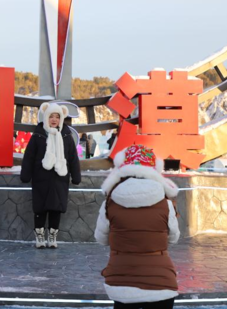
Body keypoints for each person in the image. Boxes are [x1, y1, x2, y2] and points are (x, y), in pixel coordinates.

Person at [95, 144, 180, 309]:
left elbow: (101, 239)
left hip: (121, 283)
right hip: (160, 283)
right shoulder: (166, 204)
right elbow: (174, 237)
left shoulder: (109, 203)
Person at [20, 102, 81, 249]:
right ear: (46, 117)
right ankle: (40, 237)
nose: (54, 119)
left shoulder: (66, 135)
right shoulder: (38, 135)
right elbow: (29, 156)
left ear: (61, 118)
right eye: (51, 116)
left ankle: (53, 237)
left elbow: (72, 157)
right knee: (40, 208)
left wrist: (76, 176)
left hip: (59, 178)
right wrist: (26, 174)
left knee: (56, 208)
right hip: (41, 178)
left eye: (57, 116)